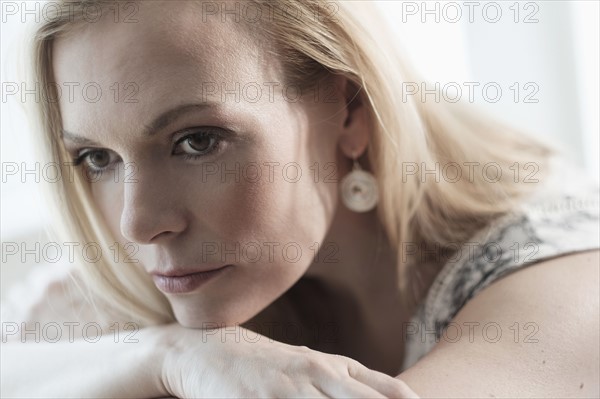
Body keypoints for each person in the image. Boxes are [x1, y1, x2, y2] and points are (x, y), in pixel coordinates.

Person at [2, 1, 598, 397]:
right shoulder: (167, 274)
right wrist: (172, 355)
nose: (138, 223)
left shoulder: (564, 287)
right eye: (98, 159)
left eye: (197, 141)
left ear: (351, 112)